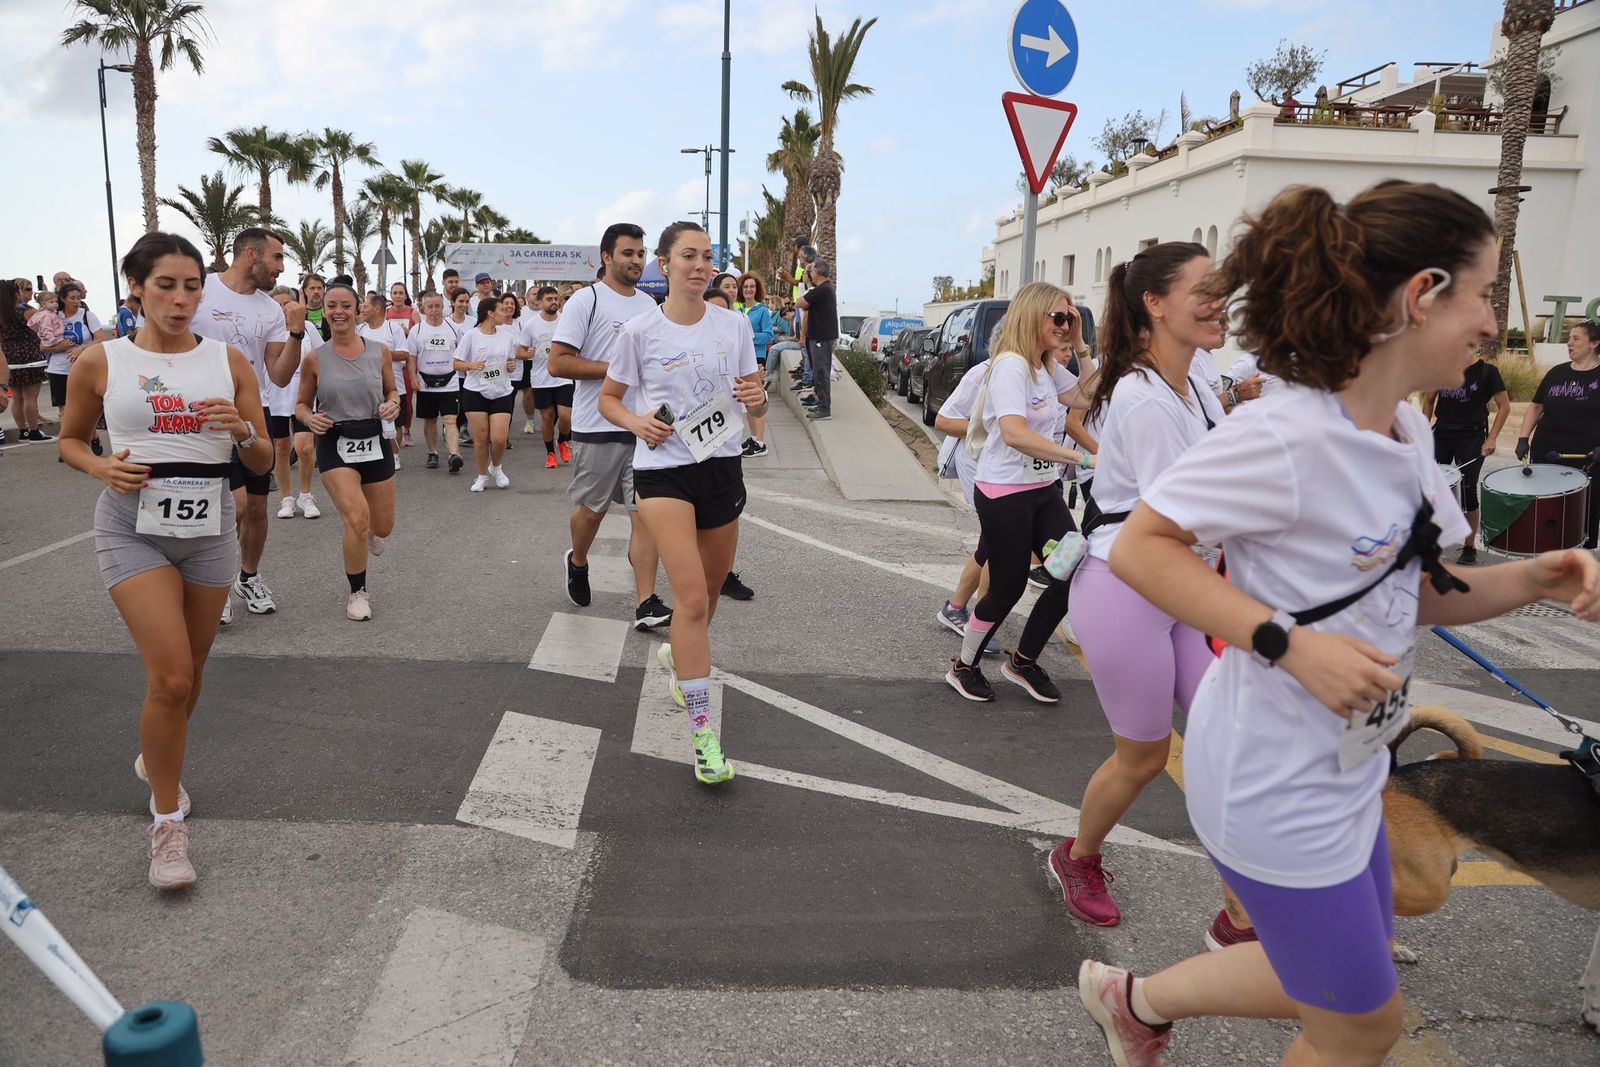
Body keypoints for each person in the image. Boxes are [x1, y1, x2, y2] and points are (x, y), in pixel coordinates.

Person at [1075, 180, 1600, 1067]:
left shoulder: (1403, 433)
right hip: (1272, 779)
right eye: (1480, 295)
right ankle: (1134, 1000)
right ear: (1420, 294)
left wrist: (1535, 579)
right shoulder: (1287, 433)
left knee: (1342, 985)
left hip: (1353, 765)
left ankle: (1133, 1000)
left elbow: (1419, 592)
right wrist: (1284, 641)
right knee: (1361, 1024)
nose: (1489, 326)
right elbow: (1141, 548)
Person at [58, 231, 273, 889]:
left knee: (195, 669)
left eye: (191, 286)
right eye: (166, 286)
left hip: (209, 529)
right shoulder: (101, 360)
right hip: (133, 527)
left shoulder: (228, 361)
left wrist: (241, 432)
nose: (181, 300)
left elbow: (265, 458)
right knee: (173, 676)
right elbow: (68, 439)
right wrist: (100, 464)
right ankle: (166, 826)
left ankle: (159, 758)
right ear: (136, 287)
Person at [1053, 244, 1233, 933]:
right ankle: (1078, 854)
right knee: (1146, 756)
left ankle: (1245, 904)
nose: (1220, 301)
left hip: (1180, 589)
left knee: (1222, 738)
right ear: (1155, 304)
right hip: (1126, 592)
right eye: (1205, 289)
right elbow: (1189, 515)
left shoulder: (1195, 385)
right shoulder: (1141, 397)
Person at [599, 220, 766, 785]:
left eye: (707, 257)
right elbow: (610, 399)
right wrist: (636, 422)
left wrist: (758, 396)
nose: (700, 265)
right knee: (691, 598)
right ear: (664, 265)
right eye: (687, 256)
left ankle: (680, 653)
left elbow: (752, 395)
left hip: (720, 467)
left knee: (711, 592)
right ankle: (703, 734)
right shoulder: (640, 332)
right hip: (663, 473)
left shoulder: (735, 325)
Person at [944, 281, 1093, 703]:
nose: (1065, 326)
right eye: (1059, 318)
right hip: (1004, 494)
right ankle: (963, 666)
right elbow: (1013, 433)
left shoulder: (1044, 367)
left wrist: (1081, 346)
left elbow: (1089, 394)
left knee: (1071, 571)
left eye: (1071, 318)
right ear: (1033, 315)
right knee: (1006, 588)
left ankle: (1023, 661)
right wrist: (1081, 459)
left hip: (1042, 491)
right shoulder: (1011, 366)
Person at [547, 222, 673, 632]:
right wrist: (617, 370)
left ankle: (646, 602)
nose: (637, 260)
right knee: (592, 512)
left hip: (641, 428)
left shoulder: (649, 306)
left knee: (645, 515)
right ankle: (578, 560)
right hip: (596, 425)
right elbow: (558, 362)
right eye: (628, 253)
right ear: (607, 257)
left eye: (641, 254)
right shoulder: (587, 301)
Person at [191, 227, 303, 625]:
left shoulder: (271, 309)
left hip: (254, 417)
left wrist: (295, 332)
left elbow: (280, 375)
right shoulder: (199, 290)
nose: (281, 267)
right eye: (276, 258)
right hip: (202, 419)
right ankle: (215, 582)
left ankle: (248, 577)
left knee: (256, 508)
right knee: (231, 506)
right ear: (251, 255)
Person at [295, 281, 400, 621]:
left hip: (374, 439)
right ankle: (358, 592)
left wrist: (393, 405)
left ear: (358, 311)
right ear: (323, 311)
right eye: (331, 306)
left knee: (381, 527)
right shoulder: (315, 357)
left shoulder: (379, 350)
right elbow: (300, 405)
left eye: (345, 305)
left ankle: (371, 531)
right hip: (335, 441)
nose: (338, 311)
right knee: (355, 518)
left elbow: (392, 391)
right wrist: (310, 419)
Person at [1517, 319, 1600, 549]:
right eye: (1569, 338)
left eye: (1576, 338)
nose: (1569, 343)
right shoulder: (1557, 372)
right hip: (1546, 453)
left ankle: (1573, 573)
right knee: (1546, 517)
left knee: (1577, 522)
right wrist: (1523, 438)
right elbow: (1536, 406)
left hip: (1587, 459)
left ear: (1594, 343)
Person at [1425, 354, 1509, 563]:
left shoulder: (1487, 372)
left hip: (1471, 437)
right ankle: (1428, 541)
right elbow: (1428, 400)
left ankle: (1469, 546)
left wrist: (1492, 438)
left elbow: (1504, 406)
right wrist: (1422, 432)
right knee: (1431, 487)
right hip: (1442, 433)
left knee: (1468, 490)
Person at [453, 289, 518, 491]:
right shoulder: (471, 336)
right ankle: (481, 476)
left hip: (502, 391)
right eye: (501, 309)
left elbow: (510, 361)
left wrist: (511, 366)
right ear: (490, 313)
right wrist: (471, 365)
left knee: (498, 439)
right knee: (481, 438)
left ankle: (496, 467)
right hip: (475, 392)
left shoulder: (507, 336)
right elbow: (456, 363)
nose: (506, 312)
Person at [267, 286, 320, 519]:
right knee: (281, 449)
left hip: (303, 398)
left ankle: (306, 495)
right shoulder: (268, 329)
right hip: (275, 397)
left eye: (287, 304)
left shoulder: (307, 328)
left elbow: (322, 355)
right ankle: (287, 499)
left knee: (305, 447)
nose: (283, 309)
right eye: (278, 305)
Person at [409, 289, 466, 473]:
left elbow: (462, 354)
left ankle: (453, 455)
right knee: (430, 420)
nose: (434, 310)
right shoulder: (416, 330)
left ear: (443, 307)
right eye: (430, 306)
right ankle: (432, 452)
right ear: (423, 308)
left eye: (437, 306)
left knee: (450, 419)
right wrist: (412, 377)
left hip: (450, 381)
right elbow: (411, 357)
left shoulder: (453, 329)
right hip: (425, 382)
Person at [518, 285, 572, 469]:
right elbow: (520, 350)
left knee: (565, 416)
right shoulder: (531, 325)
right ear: (540, 302)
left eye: (556, 298)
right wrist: (527, 353)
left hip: (564, 376)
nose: (554, 302)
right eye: (549, 299)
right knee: (547, 417)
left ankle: (563, 440)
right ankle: (550, 452)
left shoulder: (566, 321)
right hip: (541, 378)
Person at [356, 292, 411, 470]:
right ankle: (373, 455)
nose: (362, 309)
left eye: (365, 306)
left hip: (393, 385)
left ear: (377, 308)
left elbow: (404, 353)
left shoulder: (393, 328)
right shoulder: (360, 330)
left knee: (395, 423)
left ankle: (394, 456)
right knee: (370, 422)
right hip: (366, 387)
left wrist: (380, 353)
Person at [3, 278, 51, 441]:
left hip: (9, 355)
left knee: (17, 397)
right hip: (28, 354)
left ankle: (22, 431)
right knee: (30, 397)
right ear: (18, 292)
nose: (31, 293)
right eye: (28, 290)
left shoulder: (3, 310)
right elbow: (44, 326)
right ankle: (34, 431)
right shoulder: (26, 310)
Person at [795, 259, 837, 421]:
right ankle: (821, 403)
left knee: (821, 372)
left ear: (817, 273)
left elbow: (800, 303)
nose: (810, 273)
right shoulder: (823, 290)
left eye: (811, 271)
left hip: (821, 337)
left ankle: (824, 408)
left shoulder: (822, 290)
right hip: (818, 337)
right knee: (817, 371)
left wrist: (805, 301)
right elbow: (805, 305)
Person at [738, 273, 774, 457]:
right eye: (745, 287)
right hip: (742, 359)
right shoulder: (739, 310)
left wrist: (749, 337)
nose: (748, 290)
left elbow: (769, 335)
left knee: (757, 399)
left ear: (756, 289)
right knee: (746, 402)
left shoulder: (762, 310)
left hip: (757, 359)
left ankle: (760, 442)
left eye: (752, 287)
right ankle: (753, 438)